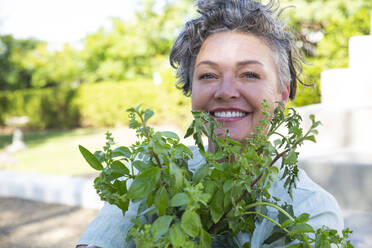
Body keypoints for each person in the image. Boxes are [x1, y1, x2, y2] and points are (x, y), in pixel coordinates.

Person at [76, 0, 343, 247]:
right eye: (208, 75)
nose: (225, 91)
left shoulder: (312, 210)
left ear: (282, 94)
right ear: (192, 91)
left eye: (249, 74)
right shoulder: (155, 172)